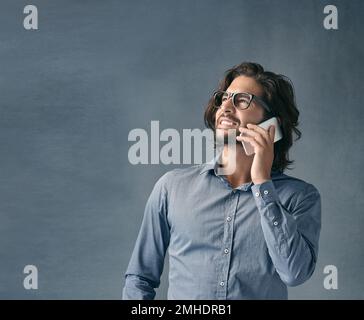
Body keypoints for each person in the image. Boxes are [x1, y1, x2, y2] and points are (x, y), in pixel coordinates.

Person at [122, 62, 321, 299]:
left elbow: (294, 273)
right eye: (223, 98)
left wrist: (262, 184)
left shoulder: (300, 197)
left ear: (272, 124)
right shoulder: (171, 187)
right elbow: (139, 278)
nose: (225, 107)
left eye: (241, 100)